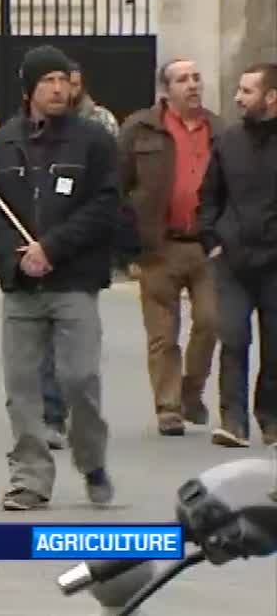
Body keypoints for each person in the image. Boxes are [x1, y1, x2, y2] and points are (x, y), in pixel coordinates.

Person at [0, 45, 118, 511]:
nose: (58, 88)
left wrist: (52, 248)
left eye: (64, 80)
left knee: (80, 379)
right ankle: (30, 478)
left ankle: (91, 459)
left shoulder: (94, 141)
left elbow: (106, 206)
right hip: (22, 286)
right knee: (22, 387)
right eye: (48, 81)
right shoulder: (5, 142)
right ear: (30, 89)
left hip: (73, 280)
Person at [119, 59, 224, 437]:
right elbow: (118, 188)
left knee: (212, 321)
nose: (193, 85)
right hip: (158, 244)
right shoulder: (140, 129)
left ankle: (191, 391)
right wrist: (129, 247)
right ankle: (168, 407)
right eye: (184, 79)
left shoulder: (219, 129)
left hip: (207, 245)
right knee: (162, 333)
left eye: (197, 77)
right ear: (166, 90)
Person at [197, 62, 277, 448]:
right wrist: (211, 239)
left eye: (247, 91)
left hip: (275, 264)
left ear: (271, 97)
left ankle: (271, 418)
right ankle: (233, 421)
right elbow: (209, 196)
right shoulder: (228, 141)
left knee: (275, 343)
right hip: (231, 259)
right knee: (233, 336)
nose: (237, 98)